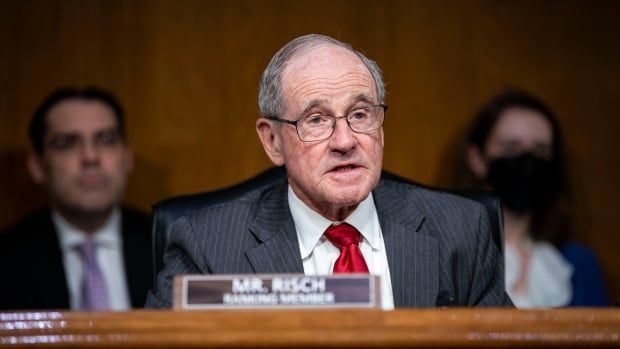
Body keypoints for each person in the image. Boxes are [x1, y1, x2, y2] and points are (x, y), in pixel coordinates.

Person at [146, 34, 512, 309]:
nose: (345, 141)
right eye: (316, 120)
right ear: (273, 140)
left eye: (359, 114)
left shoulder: (461, 230)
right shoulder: (208, 247)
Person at [0, 87, 153, 311]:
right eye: (66, 143)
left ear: (127, 157)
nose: (91, 157)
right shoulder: (7, 259)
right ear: (37, 166)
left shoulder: (169, 249)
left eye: (106, 138)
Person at [463, 89, 608, 307]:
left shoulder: (578, 264)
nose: (527, 161)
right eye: (512, 147)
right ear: (477, 159)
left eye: (540, 150)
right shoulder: (454, 256)